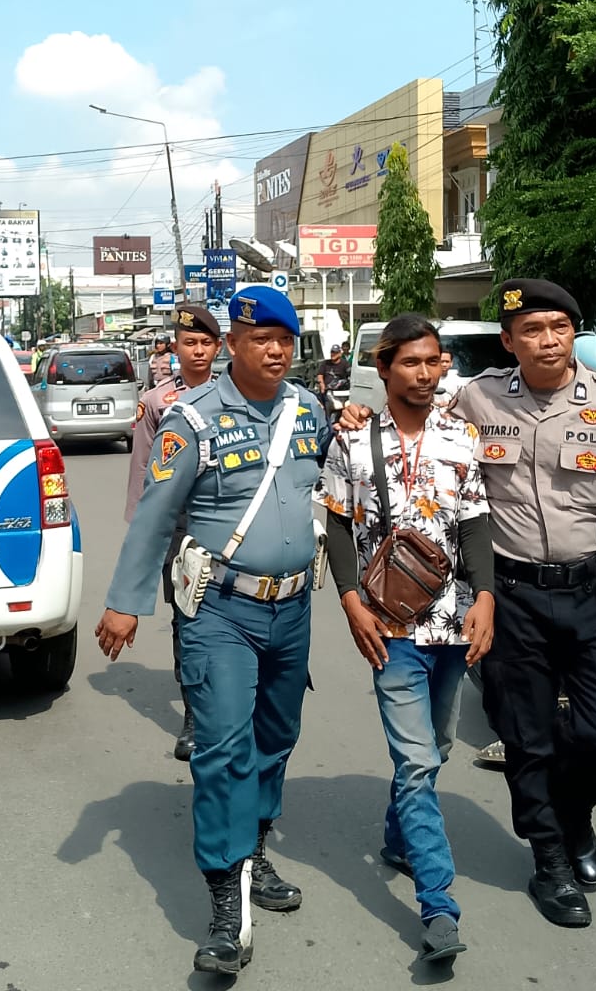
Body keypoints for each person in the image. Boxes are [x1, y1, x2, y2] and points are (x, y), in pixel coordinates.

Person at [97, 285, 330, 976]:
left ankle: (254, 851)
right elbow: (154, 515)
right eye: (262, 340)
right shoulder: (192, 419)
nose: (276, 350)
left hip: (292, 608)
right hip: (221, 611)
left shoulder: (310, 411)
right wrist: (126, 602)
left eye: (285, 340)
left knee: (275, 738)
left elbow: (336, 489)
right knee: (223, 749)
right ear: (233, 345)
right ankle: (226, 901)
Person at [451, 279, 596, 929]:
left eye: (558, 328)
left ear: (574, 333)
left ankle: (577, 816)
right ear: (509, 341)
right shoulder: (474, 397)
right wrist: (351, 415)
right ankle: (550, 859)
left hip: (591, 589)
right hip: (510, 596)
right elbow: (418, 442)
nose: (547, 341)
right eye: (532, 331)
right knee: (526, 736)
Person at [320, 314, 495, 964]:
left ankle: (398, 837)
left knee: (438, 746)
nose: (428, 373)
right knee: (419, 761)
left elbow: (475, 525)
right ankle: (439, 904)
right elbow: (337, 526)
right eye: (414, 363)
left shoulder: (461, 436)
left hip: (452, 621)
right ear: (385, 367)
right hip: (388, 627)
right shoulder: (354, 440)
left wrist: (486, 597)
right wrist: (348, 601)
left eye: (435, 362)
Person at [123, 304, 223, 762]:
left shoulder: (235, 397)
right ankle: (194, 717)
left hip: (228, 527)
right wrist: (146, 538)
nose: (197, 351)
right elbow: (143, 469)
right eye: (189, 343)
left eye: (205, 343)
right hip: (179, 533)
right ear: (174, 349)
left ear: (218, 348)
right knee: (188, 623)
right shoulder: (158, 403)